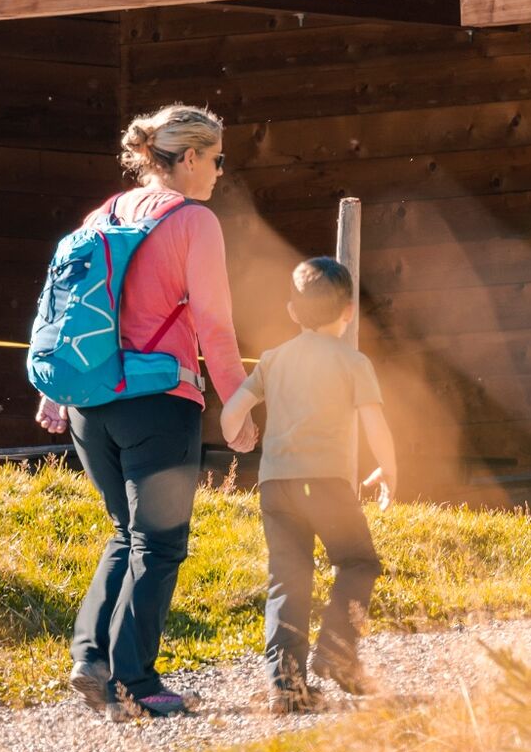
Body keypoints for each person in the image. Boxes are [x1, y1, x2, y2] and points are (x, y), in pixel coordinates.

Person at [36, 104, 254, 720]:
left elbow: (68, 311)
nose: (219, 172)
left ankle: (92, 660)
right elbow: (214, 323)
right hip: (158, 399)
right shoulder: (193, 221)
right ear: (190, 157)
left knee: (124, 533)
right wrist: (237, 404)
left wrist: (57, 390)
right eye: (216, 159)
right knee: (158, 544)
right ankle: (135, 681)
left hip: (91, 404)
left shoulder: (102, 215)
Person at [220, 256, 402, 714]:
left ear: (292, 311)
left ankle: (287, 686)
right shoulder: (353, 362)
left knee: (288, 579)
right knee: (358, 561)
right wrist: (388, 469)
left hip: (277, 486)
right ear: (349, 312)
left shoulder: (273, 359)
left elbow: (231, 413)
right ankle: (337, 654)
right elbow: (375, 423)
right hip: (325, 485)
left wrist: (237, 436)